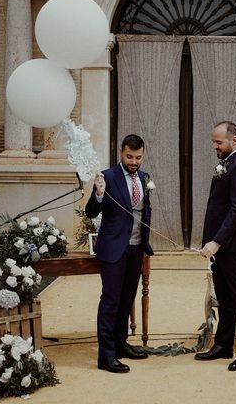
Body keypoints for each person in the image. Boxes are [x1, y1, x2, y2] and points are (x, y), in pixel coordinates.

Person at [85, 134, 154, 373]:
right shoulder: (108, 177)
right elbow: (91, 213)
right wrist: (99, 193)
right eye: (129, 157)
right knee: (111, 301)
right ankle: (106, 355)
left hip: (136, 249)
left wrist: (145, 244)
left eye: (138, 157)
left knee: (127, 299)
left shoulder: (145, 178)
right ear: (120, 153)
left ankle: (121, 343)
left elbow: (144, 212)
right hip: (113, 249)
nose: (134, 161)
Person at [195, 121, 236, 371]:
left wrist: (216, 242)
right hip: (221, 246)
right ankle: (223, 346)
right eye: (214, 142)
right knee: (225, 298)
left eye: (218, 142)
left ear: (234, 140)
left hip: (231, 245)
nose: (215, 146)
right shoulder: (227, 164)